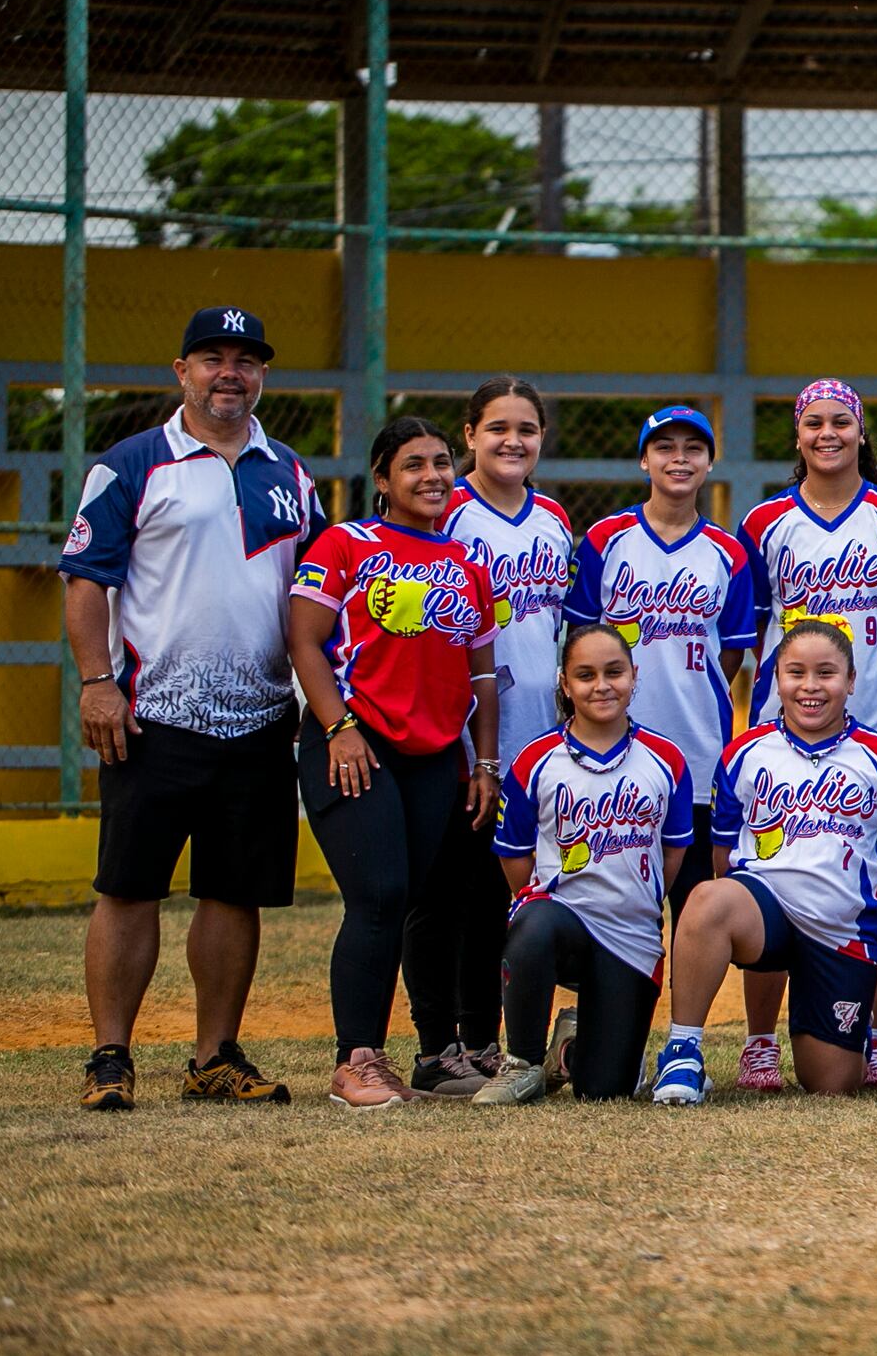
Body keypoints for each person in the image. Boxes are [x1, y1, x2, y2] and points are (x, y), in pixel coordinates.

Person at [62, 305, 322, 1111]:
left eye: (246, 359)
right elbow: (85, 580)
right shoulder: (133, 463)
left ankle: (215, 1056)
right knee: (129, 885)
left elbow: (316, 597)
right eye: (212, 357)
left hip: (260, 717)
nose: (229, 372)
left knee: (233, 890)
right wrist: (96, 680)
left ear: (263, 376)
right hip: (151, 713)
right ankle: (111, 1055)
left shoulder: (292, 474)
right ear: (182, 372)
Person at [287, 416, 502, 1108]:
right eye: (414, 464)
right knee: (378, 895)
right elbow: (303, 639)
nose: (433, 475)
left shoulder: (468, 565)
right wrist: (338, 727)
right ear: (382, 479)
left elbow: (483, 678)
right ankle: (357, 1059)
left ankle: (433, 1056)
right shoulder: (345, 543)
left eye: (442, 461)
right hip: (357, 746)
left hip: (438, 755)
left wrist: (485, 760)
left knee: (427, 902)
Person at [737, 379, 877, 1090]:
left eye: (840, 421)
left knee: (866, 877)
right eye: (814, 422)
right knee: (769, 871)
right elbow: (751, 622)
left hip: (873, 717)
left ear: (860, 431)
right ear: (797, 436)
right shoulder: (763, 521)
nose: (828, 433)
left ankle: (871, 1031)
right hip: (780, 720)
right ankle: (759, 1040)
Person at [651, 619, 877, 1103]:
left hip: (838, 929)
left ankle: (858, 1032)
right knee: (709, 899)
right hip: (767, 917)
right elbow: (724, 854)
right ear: (775, 678)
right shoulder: (745, 753)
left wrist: (856, 903)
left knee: (833, 1083)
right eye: (795, 672)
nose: (810, 687)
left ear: (851, 680)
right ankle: (683, 1050)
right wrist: (741, 901)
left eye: (826, 673)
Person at [563, 405, 758, 1080]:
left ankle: (685, 1045)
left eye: (693, 449)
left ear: (709, 464)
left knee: (693, 912)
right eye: (664, 447)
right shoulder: (608, 539)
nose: (679, 459)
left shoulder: (729, 552)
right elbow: (584, 644)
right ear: (644, 460)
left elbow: (729, 656)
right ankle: (599, 1031)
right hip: (613, 764)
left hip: (698, 762)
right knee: (615, 901)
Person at [408, 375, 574, 1099]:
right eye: (497, 427)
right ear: (468, 434)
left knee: (497, 897)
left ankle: (482, 1040)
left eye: (527, 429)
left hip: (536, 737)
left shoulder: (555, 519)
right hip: (457, 731)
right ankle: (435, 1043)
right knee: (444, 890)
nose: (513, 440)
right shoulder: (449, 512)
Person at [474, 623, 693, 1104]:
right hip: (564, 920)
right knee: (533, 922)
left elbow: (673, 852)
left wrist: (641, 899)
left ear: (634, 676)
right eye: (586, 675)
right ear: (565, 684)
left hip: (631, 936)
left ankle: (574, 1040)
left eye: (614, 672)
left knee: (602, 1091)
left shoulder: (667, 760)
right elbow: (514, 854)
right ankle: (524, 1063)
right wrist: (538, 906)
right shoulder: (536, 759)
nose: (601, 685)